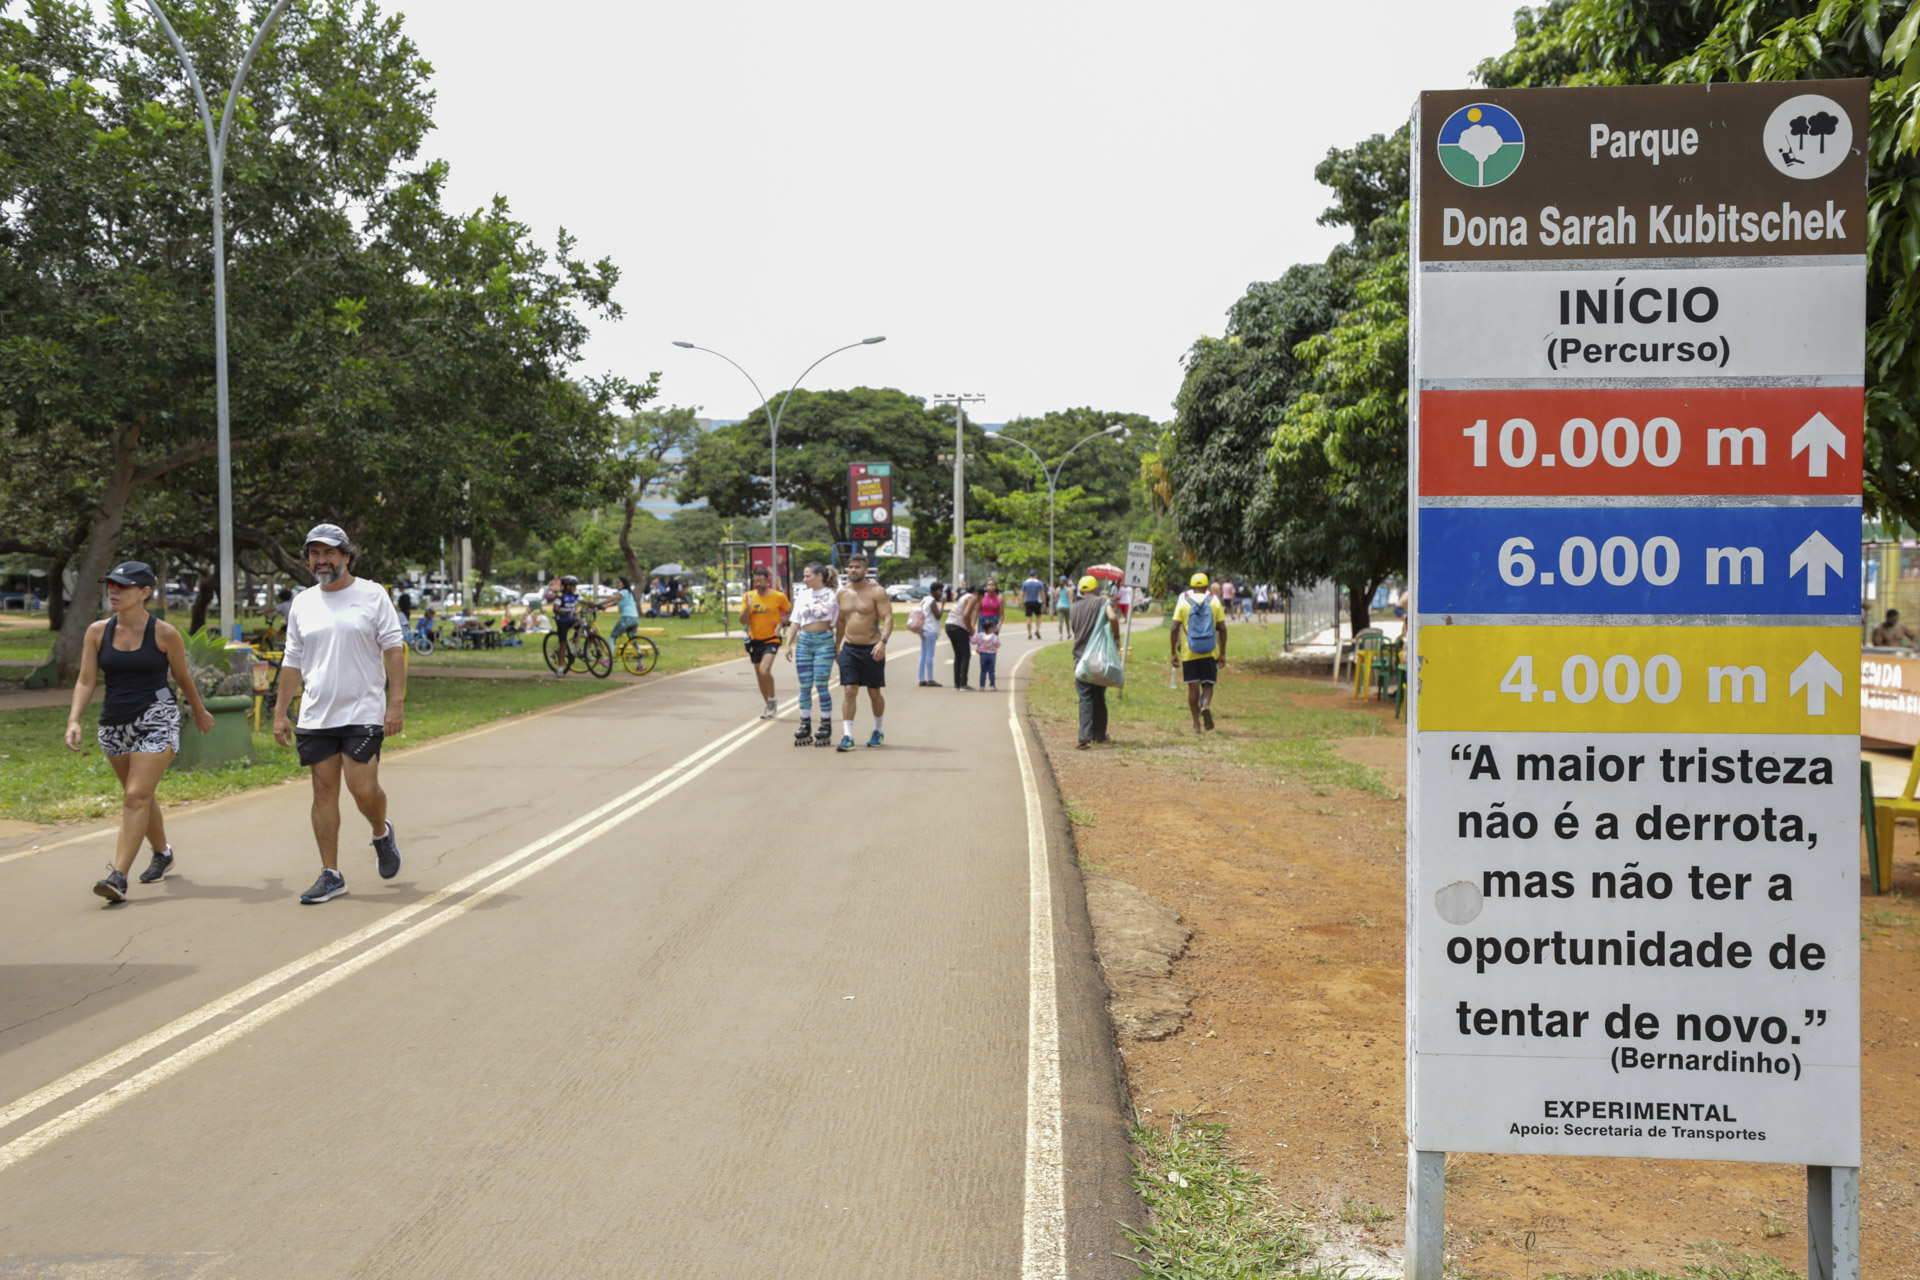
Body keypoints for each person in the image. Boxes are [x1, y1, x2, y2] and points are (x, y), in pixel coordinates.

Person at [64, 561, 216, 903]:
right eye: (111, 585)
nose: (113, 591)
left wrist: (200, 710)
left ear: (145, 592)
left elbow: (182, 677)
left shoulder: (164, 634)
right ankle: (162, 852)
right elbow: (86, 680)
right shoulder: (97, 632)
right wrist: (74, 719)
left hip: (157, 717)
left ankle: (118, 876)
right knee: (141, 796)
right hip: (114, 723)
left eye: (123, 586)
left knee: (134, 796)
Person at [272, 523, 407, 904]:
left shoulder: (372, 595)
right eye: (315, 553)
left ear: (346, 556)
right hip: (316, 714)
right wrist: (281, 711)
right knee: (323, 791)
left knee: (362, 789)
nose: (322, 560)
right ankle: (331, 874)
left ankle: (381, 831)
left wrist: (395, 703)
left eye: (330, 552)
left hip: (363, 709)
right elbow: (293, 659)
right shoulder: (303, 602)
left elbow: (393, 648)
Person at [832, 553, 892, 749]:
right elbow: (841, 621)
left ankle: (879, 730)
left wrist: (882, 642)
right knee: (850, 690)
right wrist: (837, 645)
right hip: (849, 648)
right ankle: (848, 736)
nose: (853, 570)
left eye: (857, 567)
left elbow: (888, 618)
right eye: (850, 567)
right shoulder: (842, 593)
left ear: (866, 571)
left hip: (872, 648)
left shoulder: (877, 592)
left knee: (874, 692)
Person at [784, 563, 838, 746]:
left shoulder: (834, 594)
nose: (805, 579)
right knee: (805, 685)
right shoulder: (803, 594)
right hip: (804, 642)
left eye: (807, 576)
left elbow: (840, 620)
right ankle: (805, 724)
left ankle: (825, 725)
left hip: (824, 642)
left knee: (822, 685)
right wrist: (788, 643)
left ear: (819, 576)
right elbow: (795, 620)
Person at [1171, 572, 1229, 734]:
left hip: (1190, 651)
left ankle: (1196, 725)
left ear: (1191, 587)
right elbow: (1222, 628)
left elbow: (1175, 627)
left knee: (1193, 688)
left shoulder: (1183, 603)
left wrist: (1173, 652)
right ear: (1206, 586)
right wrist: (1222, 652)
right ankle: (1205, 706)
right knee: (1208, 683)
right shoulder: (1214, 602)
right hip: (1210, 650)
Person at [1069, 574, 1121, 750]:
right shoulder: (1101, 602)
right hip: (1098, 658)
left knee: (1085, 697)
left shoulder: (1073, 607)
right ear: (1095, 588)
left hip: (1080, 659)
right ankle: (1099, 735)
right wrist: (1117, 638)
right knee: (1099, 696)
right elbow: (1113, 618)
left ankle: (1084, 736)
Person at [740, 567, 791, 718]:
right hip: (755, 640)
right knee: (759, 675)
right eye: (755, 580)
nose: (758, 583)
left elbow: (789, 610)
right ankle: (769, 704)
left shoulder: (778, 596)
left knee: (764, 670)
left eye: (761, 580)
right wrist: (748, 607)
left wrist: (782, 624)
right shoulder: (748, 596)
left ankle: (773, 699)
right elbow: (742, 621)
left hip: (771, 639)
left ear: (767, 580)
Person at [946, 583, 979, 690]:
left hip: (950, 625)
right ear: (978, 594)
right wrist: (970, 629)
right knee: (966, 655)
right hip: (958, 627)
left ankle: (957, 684)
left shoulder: (963, 597)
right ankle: (963, 684)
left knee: (958, 655)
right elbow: (966, 615)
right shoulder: (972, 597)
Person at [915, 581, 945, 686]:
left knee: (923, 654)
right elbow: (938, 616)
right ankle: (930, 679)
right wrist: (943, 605)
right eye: (939, 591)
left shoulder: (924, 599)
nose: (940, 593)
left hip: (923, 628)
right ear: (934, 591)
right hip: (930, 630)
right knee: (929, 655)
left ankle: (921, 678)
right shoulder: (932, 601)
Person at [610, 575, 642, 655]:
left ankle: (609, 660)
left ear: (623, 584)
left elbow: (612, 599)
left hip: (627, 619)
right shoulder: (629, 593)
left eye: (618, 583)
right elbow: (615, 602)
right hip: (635, 619)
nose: (616, 584)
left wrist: (598, 604)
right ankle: (640, 664)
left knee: (612, 637)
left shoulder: (622, 592)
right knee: (633, 640)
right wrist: (604, 607)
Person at [972, 616, 1002, 690]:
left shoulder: (979, 636)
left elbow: (973, 641)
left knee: (983, 671)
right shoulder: (994, 637)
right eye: (993, 627)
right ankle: (992, 686)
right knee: (991, 671)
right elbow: (998, 644)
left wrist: (970, 635)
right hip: (992, 655)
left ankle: (982, 686)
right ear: (990, 628)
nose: (994, 628)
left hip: (983, 655)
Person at [1021, 569, 1046, 639]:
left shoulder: (1025, 583)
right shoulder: (1039, 583)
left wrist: (1022, 603)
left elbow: (1023, 593)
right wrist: (1044, 603)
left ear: (1030, 575)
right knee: (1038, 616)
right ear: (1036, 575)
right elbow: (1042, 593)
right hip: (1037, 601)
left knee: (1029, 618)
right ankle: (1037, 630)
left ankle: (1029, 633)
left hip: (1028, 601)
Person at [1055, 575, 1073, 640]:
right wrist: (1071, 606)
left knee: (1060, 621)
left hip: (1059, 606)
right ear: (1066, 582)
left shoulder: (1057, 589)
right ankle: (1068, 634)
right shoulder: (1068, 589)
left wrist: (1056, 605)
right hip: (1067, 606)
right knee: (1067, 621)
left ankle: (1061, 635)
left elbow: (1056, 599)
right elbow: (1070, 599)